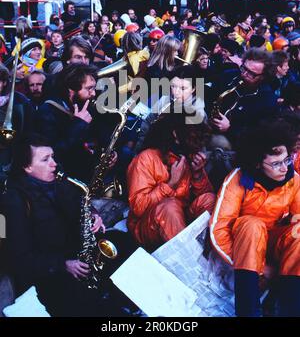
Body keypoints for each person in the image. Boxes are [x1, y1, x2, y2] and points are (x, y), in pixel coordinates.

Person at [0, 134, 137, 317]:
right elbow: (20, 259)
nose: (54, 163)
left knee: (126, 244)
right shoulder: (14, 201)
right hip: (51, 273)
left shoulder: (58, 180)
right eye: (45, 159)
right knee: (87, 304)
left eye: (53, 156)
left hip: (78, 252)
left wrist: (94, 216)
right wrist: (63, 265)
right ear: (27, 167)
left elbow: (80, 202)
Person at [210, 119, 300, 317]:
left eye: (286, 160)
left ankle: (290, 308)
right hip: (245, 249)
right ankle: (248, 312)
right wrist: (259, 267)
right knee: (251, 224)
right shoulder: (238, 179)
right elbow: (219, 229)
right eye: (276, 164)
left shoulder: (293, 180)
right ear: (258, 163)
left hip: (273, 245)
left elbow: (297, 219)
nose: (284, 168)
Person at [127, 114, 216, 251]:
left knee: (209, 199)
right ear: (175, 135)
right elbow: (138, 208)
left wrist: (198, 174)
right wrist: (170, 185)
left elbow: (204, 197)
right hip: (148, 226)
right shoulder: (146, 158)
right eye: (191, 137)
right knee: (169, 207)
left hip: (179, 219)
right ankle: (189, 261)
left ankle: (207, 253)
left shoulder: (187, 156)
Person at [37, 64, 116, 182]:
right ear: (71, 89)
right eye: (89, 88)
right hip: (64, 181)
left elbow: (99, 134)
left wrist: (110, 152)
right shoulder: (47, 111)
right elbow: (54, 152)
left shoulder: (85, 104)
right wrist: (79, 124)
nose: (93, 93)